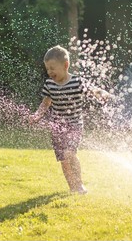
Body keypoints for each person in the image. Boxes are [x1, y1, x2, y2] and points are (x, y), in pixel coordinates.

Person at [29, 45, 112, 194]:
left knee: (70, 153)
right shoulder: (49, 84)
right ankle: (72, 187)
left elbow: (92, 90)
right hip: (57, 128)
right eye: (47, 69)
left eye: (52, 68)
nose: (49, 72)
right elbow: (46, 102)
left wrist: (103, 93)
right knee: (64, 160)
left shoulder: (77, 82)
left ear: (65, 65)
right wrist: (37, 114)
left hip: (74, 125)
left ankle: (79, 184)